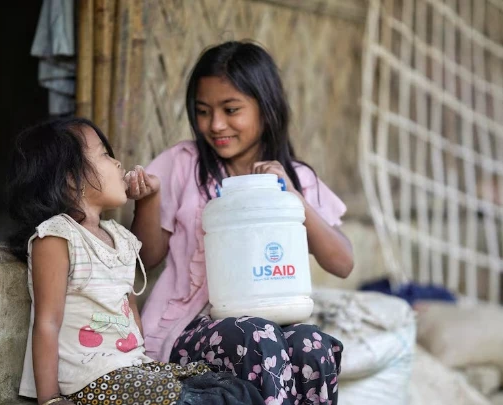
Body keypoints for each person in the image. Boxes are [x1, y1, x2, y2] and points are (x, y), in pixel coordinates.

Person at [130, 41, 354, 404]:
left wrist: (292, 197)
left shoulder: (296, 177)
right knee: (261, 335)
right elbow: (146, 257)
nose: (215, 124)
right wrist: (150, 200)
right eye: (203, 111)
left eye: (231, 109)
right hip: (190, 331)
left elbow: (343, 263)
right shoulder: (184, 164)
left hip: (272, 329)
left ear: (266, 110)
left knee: (313, 344)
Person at [7, 117, 262, 405]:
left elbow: (129, 308)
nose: (118, 164)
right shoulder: (57, 236)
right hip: (90, 379)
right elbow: (47, 322)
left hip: (131, 369)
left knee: (231, 390)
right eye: (104, 155)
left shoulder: (119, 237)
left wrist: (149, 197)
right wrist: (50, 399)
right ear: (69, 177)